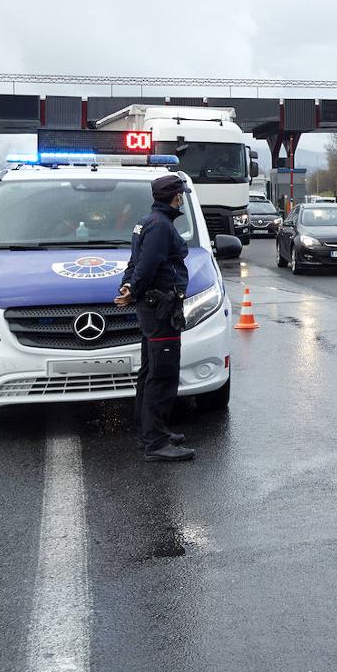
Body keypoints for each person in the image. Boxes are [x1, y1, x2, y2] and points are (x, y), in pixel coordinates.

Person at [115, 174, 194, 462]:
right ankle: (156, 443)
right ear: (175, 196)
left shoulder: (146, 221)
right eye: (181, 193)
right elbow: (147, 265)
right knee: (162, 374)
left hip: (151, 307)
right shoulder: (161, 226)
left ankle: (150, 430)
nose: (182, 197)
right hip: (160, 308)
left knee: (149, 372)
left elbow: (135, 262)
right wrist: (134, 289)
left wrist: (127, 287)